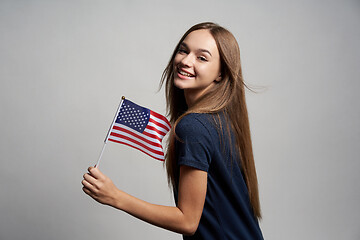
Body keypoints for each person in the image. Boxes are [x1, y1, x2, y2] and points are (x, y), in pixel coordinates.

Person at [82, 22, 264, 239]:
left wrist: (115, 197)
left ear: (220, 74)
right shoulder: (220, 119)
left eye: (202, 58)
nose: (186, 61)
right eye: (183, 50)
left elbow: (187, 221)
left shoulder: (193, 127)